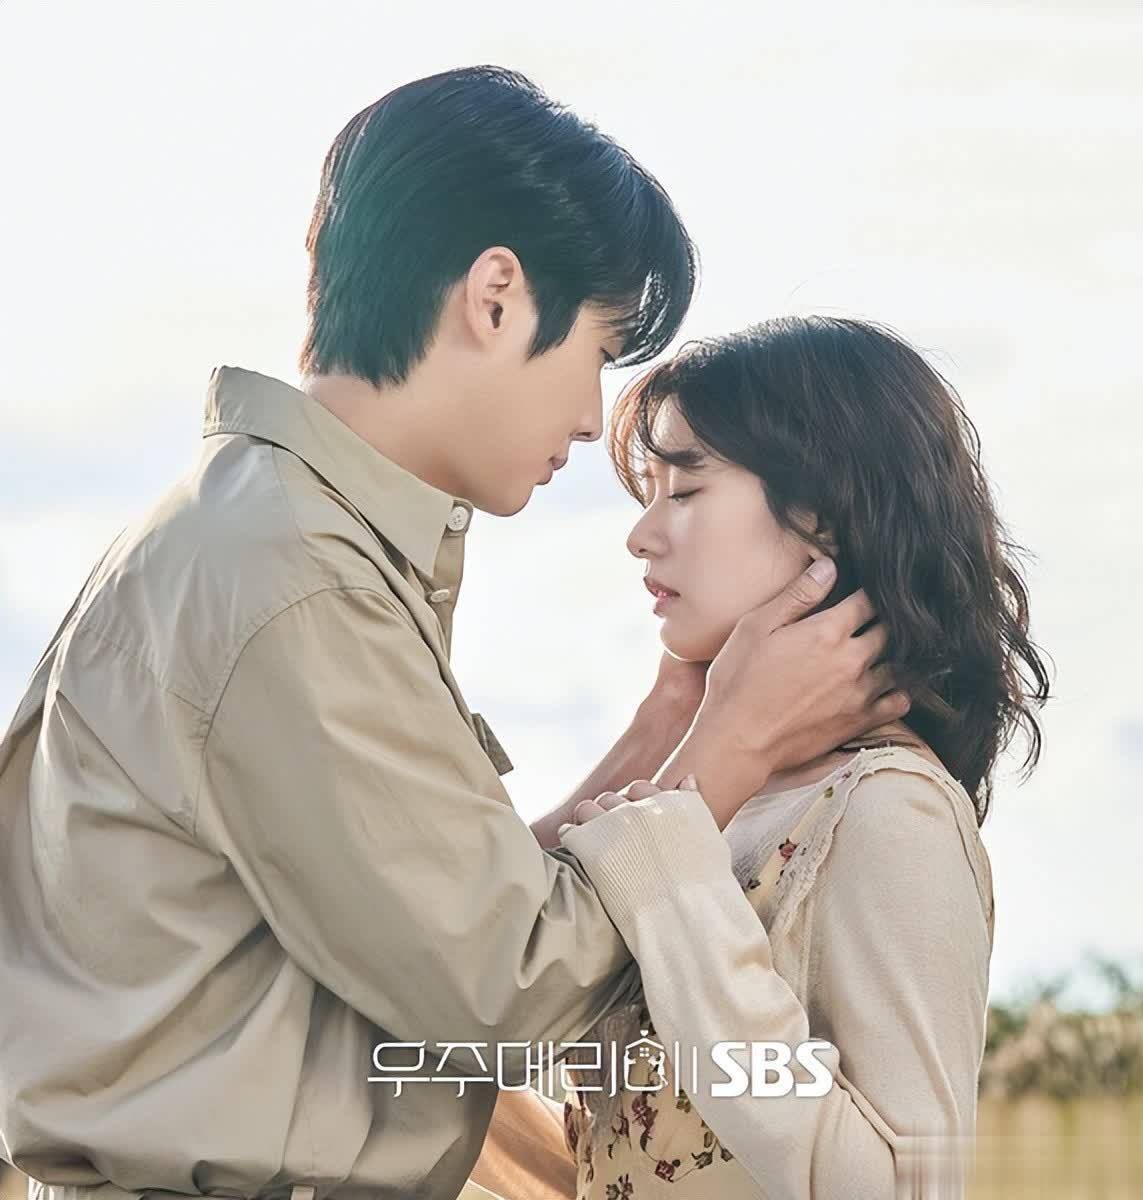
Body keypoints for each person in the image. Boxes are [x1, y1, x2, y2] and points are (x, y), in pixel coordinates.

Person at [0, 71, 908, 1200]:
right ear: (496, 297)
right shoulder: (293, 579)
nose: (591, 419)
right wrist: (738, 740)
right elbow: (507, 991)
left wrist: (670, 724)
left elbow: (450, 914)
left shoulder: (267, 534)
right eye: (598, 352)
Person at [534, 316, 1050, 1199]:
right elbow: (480, 989)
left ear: (826, 517)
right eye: (647, 493)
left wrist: (672, 884)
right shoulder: (725, 798)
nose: (641, 535)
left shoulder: (887, 808)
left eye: (684, 490)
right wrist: (667, 723)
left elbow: (906, 1185)